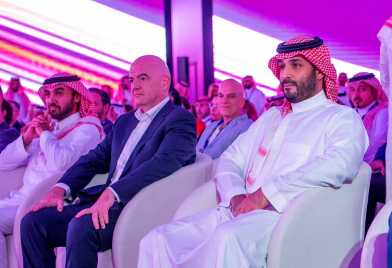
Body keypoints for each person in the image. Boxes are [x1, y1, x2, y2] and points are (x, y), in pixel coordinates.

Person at [137, 36, 368, 268]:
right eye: (283, 66)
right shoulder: (272, 116)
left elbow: (340, 163)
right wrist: (236, 195)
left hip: (284, 218)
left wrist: (264, 195)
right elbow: (230, 158)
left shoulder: (339, 117)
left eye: (296, 65)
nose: (285, 73)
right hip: (236, 209)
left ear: (319, 72)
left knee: (227, 239)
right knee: (157, 240)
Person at [20, 55, 196, 268]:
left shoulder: (179, 119)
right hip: (103, 203)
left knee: (80, 226)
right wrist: (60, 189)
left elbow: (165, 162)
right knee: (32, 222)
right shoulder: (125, 121)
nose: (135, 86)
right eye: (131, 80)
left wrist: (114, 192)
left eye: (142, 78)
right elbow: (93, 160)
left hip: (138, 205)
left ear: (164, 82)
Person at [0, 73, 103, 268]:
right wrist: (27, 139)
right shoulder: (49, 127)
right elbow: (3, 163)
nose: (50, 99)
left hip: (47, 202)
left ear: (76, 97)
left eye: (58, 92)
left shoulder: (88, 129)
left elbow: (61, 164)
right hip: (19, 199)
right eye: (47, 94)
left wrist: (45, 133)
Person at [197, 79, 252, 159]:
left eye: (231, 96)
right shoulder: (211, 126)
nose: (224, 101)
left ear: (242, 102)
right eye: (221, 95)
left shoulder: (248, 128)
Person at [348, 72, 388, 163]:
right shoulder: (351, 113)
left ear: (374, 91)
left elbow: (376, 144)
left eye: (362, 90)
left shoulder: (382, 113)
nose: (356, 95)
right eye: (352, 90)